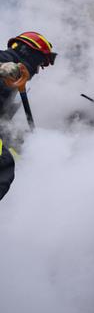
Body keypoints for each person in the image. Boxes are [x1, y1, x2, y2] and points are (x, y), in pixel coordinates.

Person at [0, 31, 57, 202]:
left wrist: (23, 146)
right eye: (40, 63)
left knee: (11, 159)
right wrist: (2, 67)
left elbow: (3, 125)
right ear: (28, 53)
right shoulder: (7, 62)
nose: (38, 71)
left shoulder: (15, 81)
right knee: (4, 164)